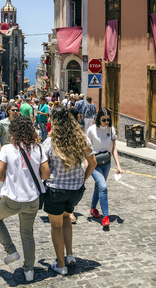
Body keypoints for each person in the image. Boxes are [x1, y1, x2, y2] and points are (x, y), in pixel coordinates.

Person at [0, 116, 50, 283]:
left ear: (12, 132)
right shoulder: (38, 149)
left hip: (12, 198)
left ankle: (10, 251)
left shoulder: (7, 149)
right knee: (27, 234)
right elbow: (46, 174)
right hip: (32, 199)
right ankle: (29, 269)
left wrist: (13, 178)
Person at [42, 107, 97, 275]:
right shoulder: (82, 139)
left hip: (55, 190)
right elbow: (92, 163)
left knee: (56, 226)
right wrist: (83, 179)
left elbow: (43, 169)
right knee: (66, 218)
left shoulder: (50, 143)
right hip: (75, 190)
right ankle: (70, 255)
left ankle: (60, 264)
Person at [87, 107, 123, 227]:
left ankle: (93, 209)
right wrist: (86, 165)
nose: (106, 122)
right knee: (103, 187)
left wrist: (118, 166)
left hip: (106, 163)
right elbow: (86, 149)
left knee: (99, 187)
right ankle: (105, 216)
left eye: (108, 119)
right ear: (98, 119)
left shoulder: (111, 129)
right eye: (104, 120)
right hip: (94, 163)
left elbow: (114, 149)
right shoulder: (91, 130)